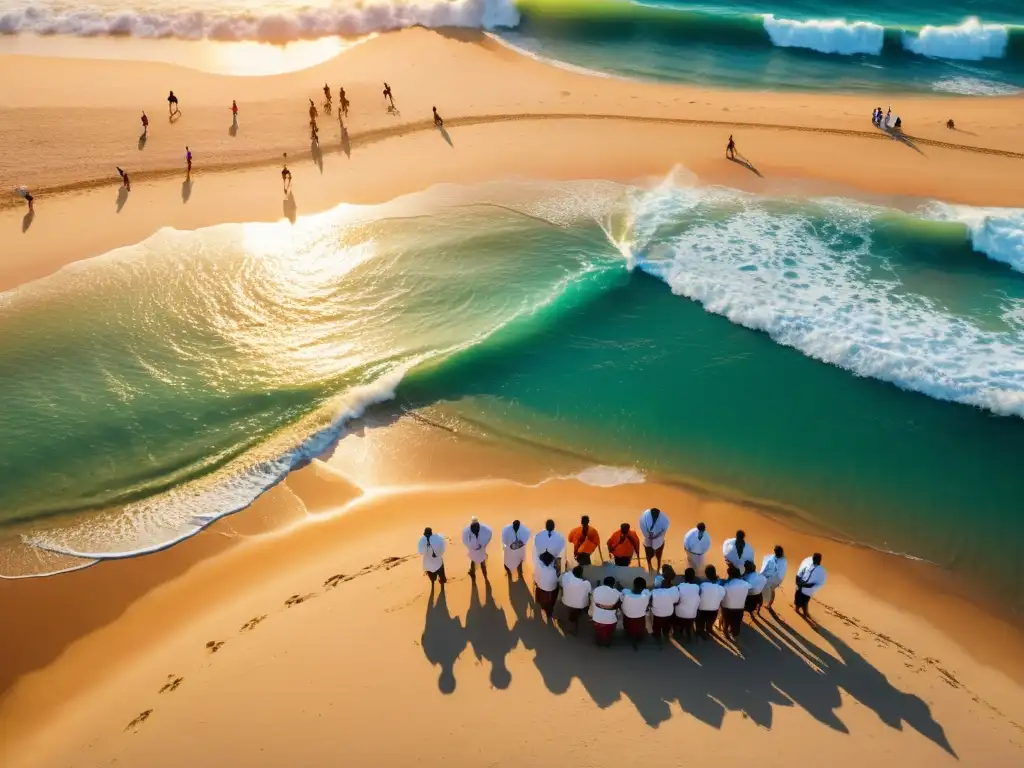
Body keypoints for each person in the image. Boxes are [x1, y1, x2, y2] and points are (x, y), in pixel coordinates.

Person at [559, 565, 593, 635]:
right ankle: (574, 629)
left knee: (570, 612)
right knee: (574, 616)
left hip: (567, 602)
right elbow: (590, 592)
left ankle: (572, 626)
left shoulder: (566, 577)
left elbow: (561, 583)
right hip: (581, 605)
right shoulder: (586, 583)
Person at [650, 565, 679, 646]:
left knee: (653, 612)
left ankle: (657, 633)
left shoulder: (654, 591)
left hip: (658, 616)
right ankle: (666, 632)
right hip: (669, 615)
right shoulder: (674, 589)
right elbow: (676, 602)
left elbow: (650, 602)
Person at [696, 565, 726, 639]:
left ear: (706, 574)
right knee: (712, 614)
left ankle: (700, 630)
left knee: (699, 612)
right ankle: (709, 628)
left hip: (702, 611)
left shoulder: (702, 584)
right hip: (714, 610)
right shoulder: (720, 585)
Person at [620, 576, 651, 649]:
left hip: (628, 618)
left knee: (622, 607)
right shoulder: (646, 595)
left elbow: (622, 594)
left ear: (633, 585)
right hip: (640, 620)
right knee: (645, 610)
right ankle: (639, 634)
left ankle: (628, 631)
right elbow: (646, 591)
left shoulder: (626, 593)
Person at [794, 553, 827, 619]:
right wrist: (798, 583)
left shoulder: (819, 570)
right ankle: (799, 611)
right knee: (799, 599)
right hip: (802, 585)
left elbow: (818, 582)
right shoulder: (808, 566)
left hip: (808, 587)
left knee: (804, 601)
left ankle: (804, 613)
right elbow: (799, 575)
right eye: (817, 559)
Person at [591, 576, 621, 647]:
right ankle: (607, 643)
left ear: (603, 583)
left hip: (596, 619)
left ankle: (598, 642)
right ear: (613, 584)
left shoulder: (596, 589)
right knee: (610, 633)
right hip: (610, 621)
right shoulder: (616, 593)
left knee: (598, 633)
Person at [720, 565, 749, 639]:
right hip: (740, 608)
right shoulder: (746, 584)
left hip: (727, 608)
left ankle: (725, 632)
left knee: (726, 621)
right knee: (737, 622)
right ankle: (734, 633)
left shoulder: (726, 585)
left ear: (730, 575)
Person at [461, 516, 492, 582]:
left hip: (478, 552)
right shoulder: (469, 532)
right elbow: (465, 541)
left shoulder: (482, 530)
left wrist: (482, 546)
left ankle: (482, 578)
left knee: (478, 564)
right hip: (476, 552)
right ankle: (484, 578)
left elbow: (489, 535)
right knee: (480, 564)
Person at [638, 507, 670, 572]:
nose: (654, 517)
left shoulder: (664, 519)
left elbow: (664, 530)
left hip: (658, 539)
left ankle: (658, 568)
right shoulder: (644, 516)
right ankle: (650, 567)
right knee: (648, 555)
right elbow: (642, 526)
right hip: (648, 538)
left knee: (659, 556)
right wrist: (647, 535)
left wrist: (656, 536)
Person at [674, 568, 701, 643]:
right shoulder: (697, 587)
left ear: (684, 577)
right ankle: (689, 631)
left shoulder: (679, 586)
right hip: (692, 616)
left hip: (680, 615)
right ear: (694, 577)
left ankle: (679, 630)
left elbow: (676, 600)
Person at [759, 545, 787, 613]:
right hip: (770, 579)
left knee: (768, 591)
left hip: (772, 579)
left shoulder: (781, 561)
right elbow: (765, 567)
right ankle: (765, 604)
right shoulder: (773, 558)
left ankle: (765, 605)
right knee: (768, 591)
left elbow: (780, 573)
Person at [533, 551, 560, 620]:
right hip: (551, 592)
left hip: (541, 589)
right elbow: (556, 581)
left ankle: (543, 608)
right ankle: (549, 613)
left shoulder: (538, 567)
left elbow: (535, 579)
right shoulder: (553, 570)